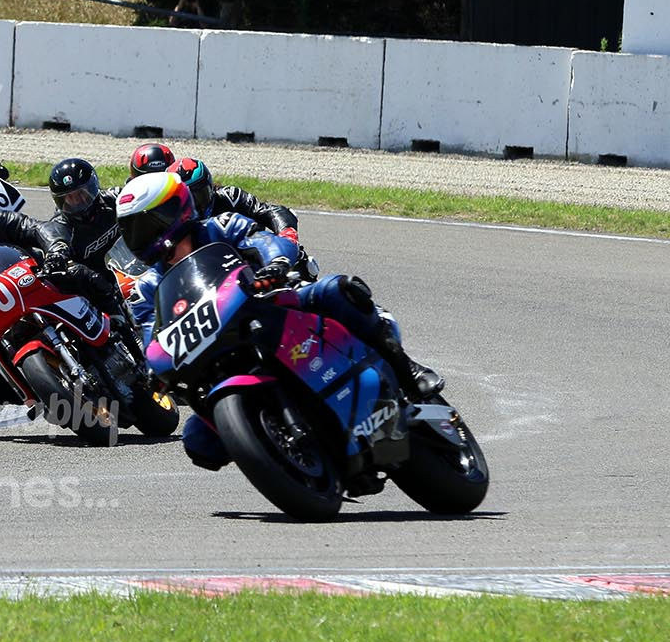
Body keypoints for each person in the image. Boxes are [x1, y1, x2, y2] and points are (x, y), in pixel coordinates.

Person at [114, 172, 440, 470]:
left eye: (144, 226)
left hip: (274, 309)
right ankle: (290, 455)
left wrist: (276, 264)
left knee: (338, 290)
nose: (138, 237)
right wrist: (154, 371)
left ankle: (406, 369)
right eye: (130, 230)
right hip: (220, 354)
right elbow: (151, 335)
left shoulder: (221, 227)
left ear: (174, 212)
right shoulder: (147, 288)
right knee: (199, 442)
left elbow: (266, 242)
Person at [0, 185, 124, 404]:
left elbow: (35, 228)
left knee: (79, 274)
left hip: (36, 285)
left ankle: (119, 320)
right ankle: (40, 395)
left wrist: (55, 248)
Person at [168, 156, 300, 240]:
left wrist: (287, 233)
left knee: (297, 258)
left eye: (198, 196)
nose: (194, 205)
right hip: (199, 269)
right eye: (186, 199)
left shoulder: (230, 197)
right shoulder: (168, 219)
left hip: (244, 262)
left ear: (210, 187)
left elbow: (268, 211)